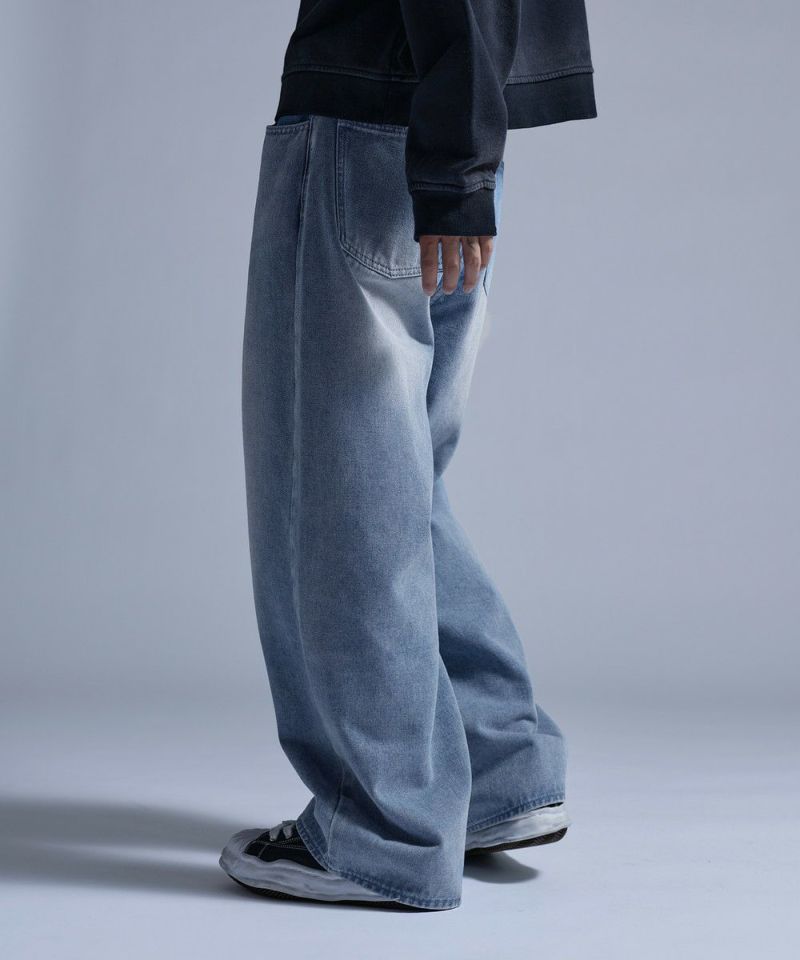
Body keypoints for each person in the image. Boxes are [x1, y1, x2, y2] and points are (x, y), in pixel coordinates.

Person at [219, 0, 596, 911]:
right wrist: (461, 159)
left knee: (335, 491)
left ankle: (384, 829)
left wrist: (454, 166)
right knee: (391, 478)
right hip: (441, 123)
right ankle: (497, 770)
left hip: (381, 122)